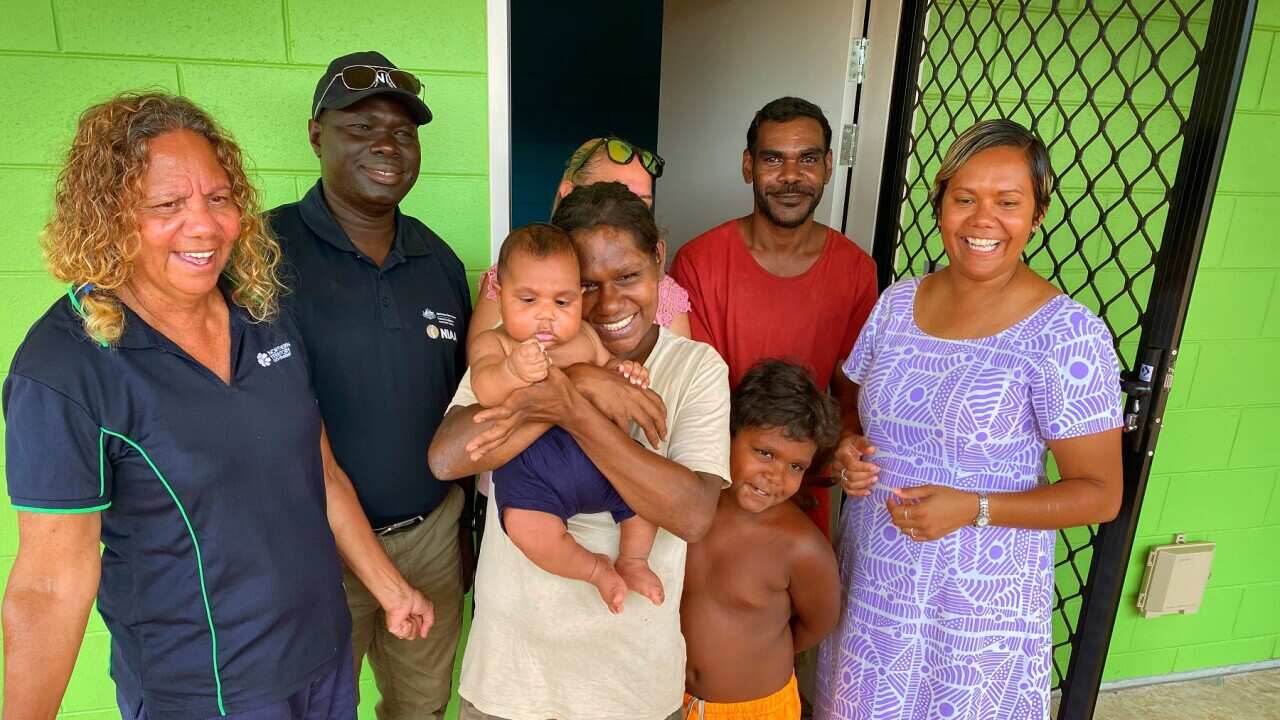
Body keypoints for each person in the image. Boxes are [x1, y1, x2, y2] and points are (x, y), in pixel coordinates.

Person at [2, 92, 432, 720]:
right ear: (109, 216)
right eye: (167, 205)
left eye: (219, 198)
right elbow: (48, 586)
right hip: (205, 692)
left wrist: (390, 590)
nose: (204, 226)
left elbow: (320, 471)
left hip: (323, 663)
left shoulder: (261, 313)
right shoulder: (65, 368)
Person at [814, 119, 1124, 720]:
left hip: (979, 607)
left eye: (1008, 203)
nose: (984, 221)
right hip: (876, 582)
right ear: (941, 205)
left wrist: (975, 507)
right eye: (965, 199)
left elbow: (1100, 495)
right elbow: (848, 395)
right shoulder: (898, 302)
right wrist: (847, 446)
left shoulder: (1066, 334)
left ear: (1036, 216)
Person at [429, 182, 731, 720]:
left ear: (659, 259)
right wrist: (583, 386)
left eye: (629, 277)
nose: (610, 303)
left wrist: (574, 404)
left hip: (632, 688)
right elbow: (448, 458)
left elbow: (692, 513)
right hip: (510, 684)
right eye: (586, 285)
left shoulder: (697, 368)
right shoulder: (518, 348)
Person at [267, 51, 473, 720]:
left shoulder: (436, 260)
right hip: (312, 549)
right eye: (360, 126)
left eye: (402, 131)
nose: (386, 144)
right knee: (317, 709)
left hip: (429, 540)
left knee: (421, 706)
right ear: (314, 133)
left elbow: (464, 402)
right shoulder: (264, 252)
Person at [669, 97, 879, 537]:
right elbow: (694, 391)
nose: (790, 177)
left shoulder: (855, 269)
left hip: (800, 489)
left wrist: (839, 450)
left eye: (806, 160)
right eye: (773, 159)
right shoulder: (698, 262)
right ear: (749, 166)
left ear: (827, 166)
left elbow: (850, 393)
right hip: (714, 486)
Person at [470, 223, 661, 613]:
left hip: (603, 459)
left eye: (562, 303)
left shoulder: (587, 338)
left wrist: (628, 375)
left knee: (645, 506)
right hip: (533, 475)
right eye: (528, 301)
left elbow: (612, 379)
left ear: (579, 298)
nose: (546, 317)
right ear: (499, 295)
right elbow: (486, 388)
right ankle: (595, 571)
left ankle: (634, 560)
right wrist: (511, 372)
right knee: (527, 530)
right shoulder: (496, 343)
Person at [679, 360, 842, 720]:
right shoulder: (690, 508)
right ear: (730, 433)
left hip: (757, 709)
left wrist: (763, 655)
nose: (775, 475)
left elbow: (820, 622)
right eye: (764, 453)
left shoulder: (799, 546)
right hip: (678, 702)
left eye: (795, 466)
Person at [468, 136, 692, 346]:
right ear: (569, 193)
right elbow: (482, 371)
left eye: (640, 203)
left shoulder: (668, 297)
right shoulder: (513, 281)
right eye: (607, 194)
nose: (624, 211)